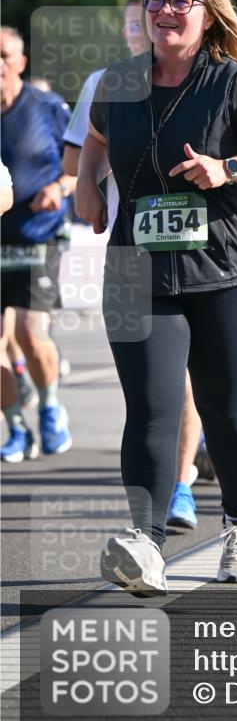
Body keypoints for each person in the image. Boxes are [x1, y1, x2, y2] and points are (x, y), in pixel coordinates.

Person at [76, 0, 237, 592]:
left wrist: (228, 168)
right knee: (151, 407)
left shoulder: (234, 85)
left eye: (182, 2)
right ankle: (146, 544)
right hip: (134, 268)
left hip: (227, 272)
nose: (166, 10)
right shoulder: (116, 83)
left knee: (222, 408)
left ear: (208, 16)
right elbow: (95, 139)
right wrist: (87, 185)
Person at [62, 0, 205, 531]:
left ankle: (183, 483)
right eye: (130, 27)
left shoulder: (200, 77)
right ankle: (158, 492)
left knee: (187, 377)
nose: (139, 34)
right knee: (147, 388)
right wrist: (87, 184)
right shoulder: (105, 83)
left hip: (191, 248)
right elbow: (78, 154)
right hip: (127, 248)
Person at [1, 26, 75, 463]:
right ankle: (14, 426)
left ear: (21, 62)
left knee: (30, 333)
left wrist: (59, 190)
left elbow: (82, 163)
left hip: (38, 236)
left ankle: (50, 408)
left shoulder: (47, 108)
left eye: (4, 55)